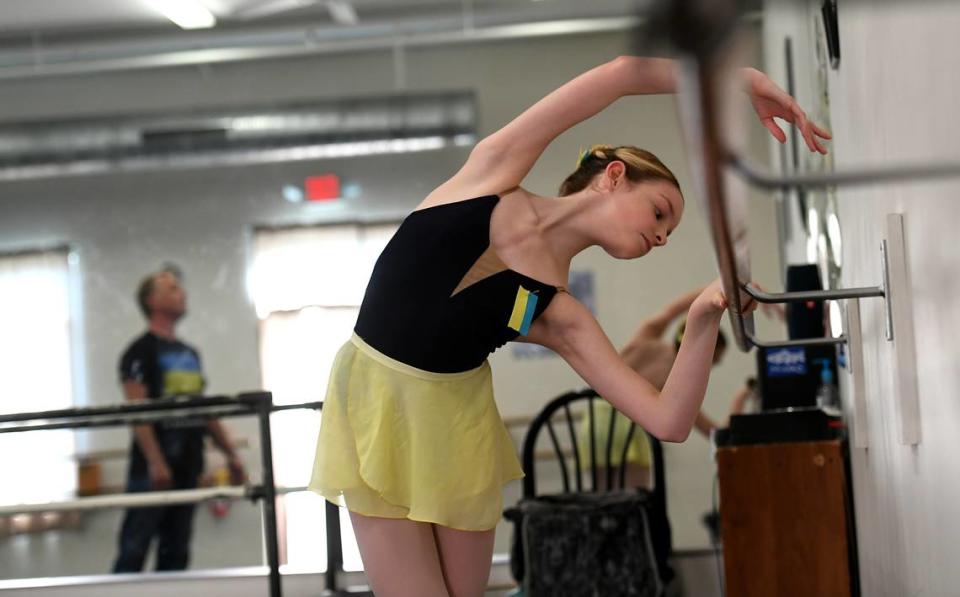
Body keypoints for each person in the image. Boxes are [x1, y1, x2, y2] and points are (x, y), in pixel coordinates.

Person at [309, 55, 829, 597]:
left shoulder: (558, 312)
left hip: (457, 427)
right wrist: (738, 79)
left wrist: (703, 313)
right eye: (659, 213)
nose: (662, 237)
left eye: (669, 230)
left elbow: (669, 420)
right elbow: (623, 74)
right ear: (613, 177)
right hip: (375, 405)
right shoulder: (493, 171)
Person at [112, 267, 246, 573]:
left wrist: (232, 456)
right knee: (133, 550)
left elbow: (203, 409)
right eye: (172, 288)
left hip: (188, 463)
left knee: (176, 552)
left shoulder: (189, 353)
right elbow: (138, 411)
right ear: (152, 300)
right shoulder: (138, 352)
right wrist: (157, 462)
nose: (182, 293)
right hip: (153, 471)